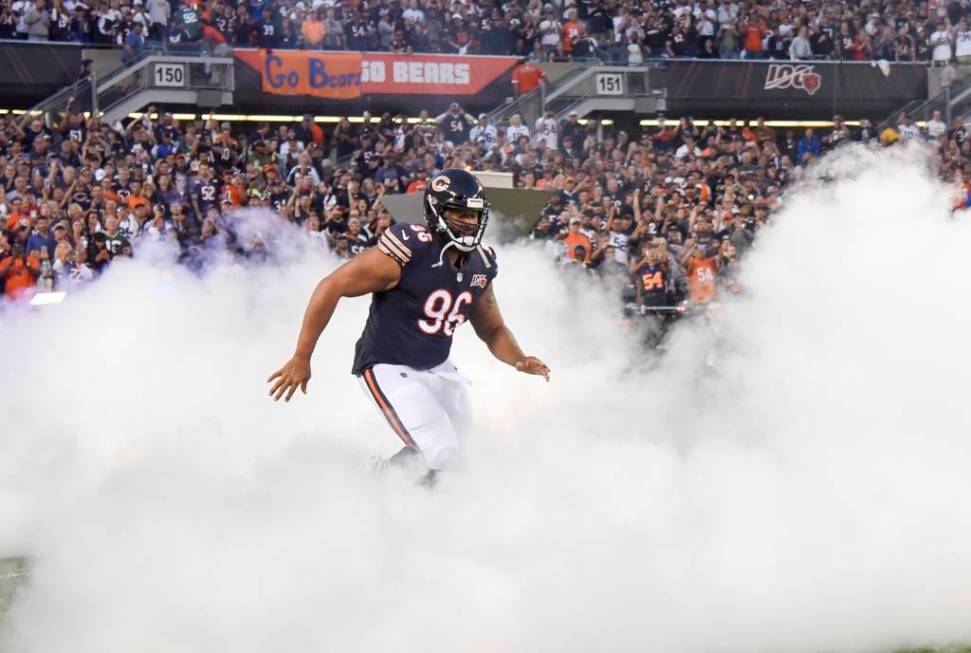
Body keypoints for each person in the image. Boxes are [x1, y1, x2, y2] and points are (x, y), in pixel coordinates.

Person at [267, 169, 550, 485]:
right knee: (443, 456)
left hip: (439, 366)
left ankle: (379, 476)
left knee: (451, 448)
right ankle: (421, 519)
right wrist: (302, 355)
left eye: (474, 214)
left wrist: (519, 359)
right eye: (459, 213)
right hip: (387, 364)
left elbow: (492, 329)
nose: (470, 222)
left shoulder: (481, 263)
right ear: (437, 211)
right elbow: (332, 285)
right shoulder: (410, 249)